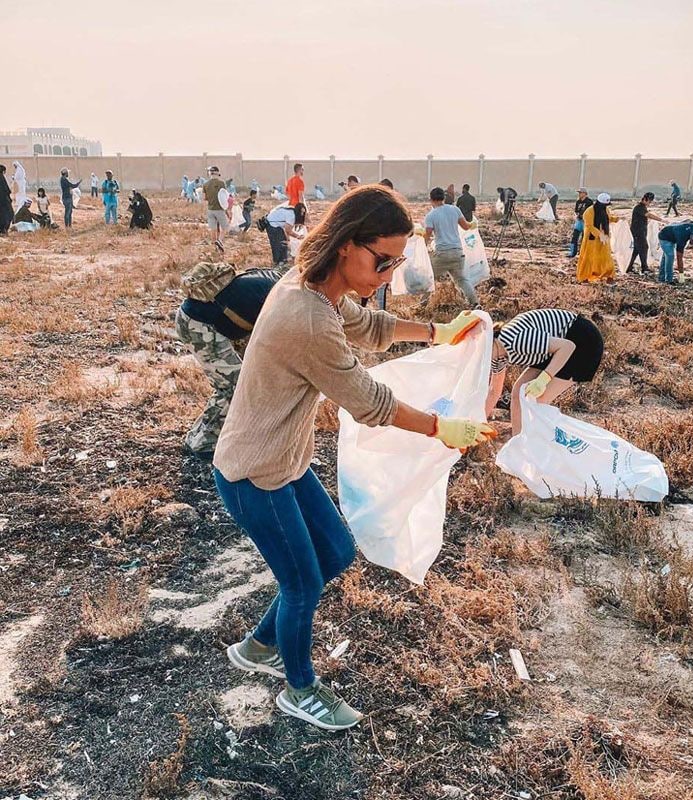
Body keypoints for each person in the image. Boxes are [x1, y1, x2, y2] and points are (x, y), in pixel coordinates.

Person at [214, 185, 495, 731]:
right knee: (302, 584)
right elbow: (370, 402)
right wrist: (441, 428)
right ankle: (299, 689)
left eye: (397, 261)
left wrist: (437, 331)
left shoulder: (315, 290)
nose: (389, 274)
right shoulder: (307, 316)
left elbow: (369, 327)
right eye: (383, 260)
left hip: (284, 462)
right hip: (254, 474)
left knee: (337, 552)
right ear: (346, 245)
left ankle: (258, 647)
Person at [176, 267, 282, 457]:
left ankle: (198, 436)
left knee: (236, 383)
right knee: (237, 387)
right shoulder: (281, 298)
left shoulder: (276, 281)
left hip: (212, 323)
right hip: (199, 325)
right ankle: (204, 444)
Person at [485, 309, 604, 435]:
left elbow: (567, 346)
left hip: (582, 342)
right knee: (518, 393)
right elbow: (494, 391)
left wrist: (544, 379)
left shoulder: (514, 340)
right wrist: (479, 423)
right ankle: (518, 443)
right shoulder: (496, 354)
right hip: (552, 349)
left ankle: (539, 444)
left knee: (538, 399)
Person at [424, 187, 479, 305]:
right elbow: (465, 226)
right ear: (443, 198)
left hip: (442, 254)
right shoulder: (455, 210)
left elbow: (427, 235)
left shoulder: (431, 215)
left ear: (431, 200)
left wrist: (421, 247)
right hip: (458, 253)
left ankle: (421, 305)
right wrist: (473, 224)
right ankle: (475, 303)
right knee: (462, 280)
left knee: (429, 278)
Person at [576, 193, 619, 283]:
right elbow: (589, 226)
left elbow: (608, 218)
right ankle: (584, 277)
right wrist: (599, 235)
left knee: (606, 257)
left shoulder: (605, 210)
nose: (606, 207)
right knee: (588, 258)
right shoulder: (589, 212)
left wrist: (617, 219)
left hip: (603, 238)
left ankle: (609, 276)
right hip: (591, 239)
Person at [628, 192, 664, 274]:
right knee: (644, 247)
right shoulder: (639, 207)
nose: (649, 203)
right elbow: (648, 215)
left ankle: (629, 266)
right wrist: (661, 220)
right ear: (644, 199)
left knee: (636, 250)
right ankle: (644, 267)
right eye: (649, 201)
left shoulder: (642, 207)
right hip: (637, 232)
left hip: (641, 231)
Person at [657, 219, 693, 284]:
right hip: (664, 236)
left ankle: (661, 277)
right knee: (670, 256)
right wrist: (681, 275)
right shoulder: (682, 238)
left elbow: (688, 220)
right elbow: (679, 258)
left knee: (666, 256)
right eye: (692, 243)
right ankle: (668, 280)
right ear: (691, 238)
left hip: (673, 230)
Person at [202, 166, 229, 252]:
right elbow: (224, 196)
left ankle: (215, 249)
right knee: (225, 227)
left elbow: (204, 198)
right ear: (217, 173)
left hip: (210, 209)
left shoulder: (205, 184)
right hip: (219, 209)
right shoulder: (222, 183)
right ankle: (220, 241)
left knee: (213, 229)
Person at [568, 188, 593, 257]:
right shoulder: (578, 201)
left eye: (580, 193)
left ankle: (582, 253)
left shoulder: (589, 202)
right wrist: (578, 214)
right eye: (579, 193)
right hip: (579, 221)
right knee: (574, 236)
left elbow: (591, 212)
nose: (579, 194)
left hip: (586, 222)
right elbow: (576, 210)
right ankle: (572, 253)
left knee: (584, 238)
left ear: (585, 193)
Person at [0, 165, 13, 235]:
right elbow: (6, 190)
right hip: (4, 202)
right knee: (9, 214)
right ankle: (3, 230)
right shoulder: (1, 178)